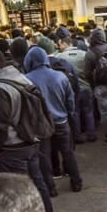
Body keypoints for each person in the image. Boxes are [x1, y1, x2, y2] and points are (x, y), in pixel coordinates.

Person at [0, 47, 55, 212]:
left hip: (12, 146)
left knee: (17, 189)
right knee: (37, 182)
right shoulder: (20, 77)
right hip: (31, 140)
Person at [24, 46, 82, 193]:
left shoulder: (27, 79)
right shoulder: (60, 76)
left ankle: (50, 187)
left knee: (44, 156)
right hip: (61, 120)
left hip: (42, 124)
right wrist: (69, 113)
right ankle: (76, 181)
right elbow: (71, 100)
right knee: (67, 152)